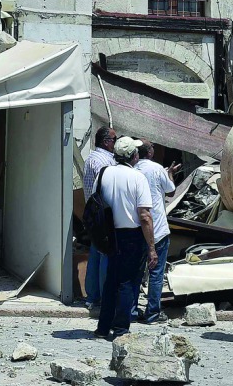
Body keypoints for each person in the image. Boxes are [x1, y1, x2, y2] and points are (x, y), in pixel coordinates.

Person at [95, 136, 157, 340]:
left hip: (109, 234)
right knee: (128, 283)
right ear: (133, 156)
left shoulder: (103, 173)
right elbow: (145, 215)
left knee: (111, 281)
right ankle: (121, 328)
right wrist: (151, 247)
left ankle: (103, 327)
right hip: (131, 235)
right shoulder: (137, 177)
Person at [133, 141, 181, 323]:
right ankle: (152, 312)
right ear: (151, 153)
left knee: (136, 271)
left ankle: (131, 310)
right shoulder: (157, 169)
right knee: (156, 272)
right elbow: (171, 191)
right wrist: (169, 174)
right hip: (157, 228)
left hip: (137, 228)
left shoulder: (133, 170)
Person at [82, 126, 117, 309]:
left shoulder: (91, 158)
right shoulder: (105, 161)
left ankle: (92, 296)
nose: (115, 143)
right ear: (106, 141)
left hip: (92, 212)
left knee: (95, 252)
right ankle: (105, 296)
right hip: (104, 213)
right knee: (106, 254)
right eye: (114, 139)